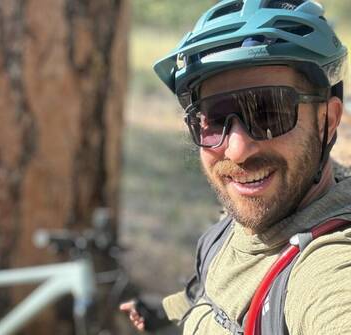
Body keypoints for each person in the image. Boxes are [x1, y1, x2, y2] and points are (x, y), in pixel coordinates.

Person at [121, 0, 351, 334]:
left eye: (269, 112)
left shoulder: (328, 266)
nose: (238, 150)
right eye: (213, 119)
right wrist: (167, 311)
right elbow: (215, 287)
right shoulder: (248, 215)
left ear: (327, 121)